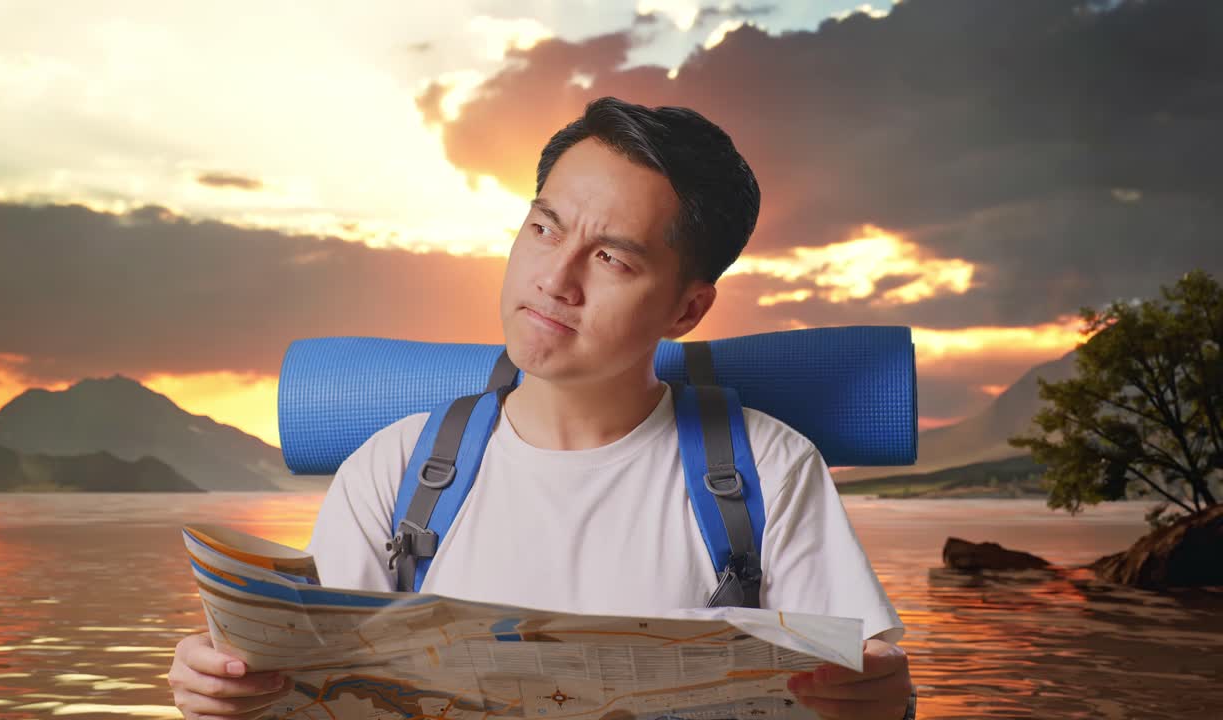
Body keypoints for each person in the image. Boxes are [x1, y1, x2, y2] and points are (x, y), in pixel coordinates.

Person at [168, 96, 915, 720]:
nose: (555, 278)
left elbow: (866, 686)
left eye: (612, 258)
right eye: (543, 228)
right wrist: (228, 692)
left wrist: (887, 703)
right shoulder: (394, 470)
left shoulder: (767, 470)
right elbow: (307, 694)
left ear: (688, 309)